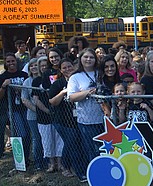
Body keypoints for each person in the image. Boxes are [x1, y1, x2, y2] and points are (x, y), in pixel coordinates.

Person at [67, 48, 105, 179]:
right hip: (87, 120)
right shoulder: (75, 77)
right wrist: (88, 93)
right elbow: (71, 97)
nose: (89, 59)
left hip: (105, 117)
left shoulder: (100, 73)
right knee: (92, 149)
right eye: (86, 57)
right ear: (81, 59)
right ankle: (95, 176)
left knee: (104, 149)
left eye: (91, 57)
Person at [48, 58, 85, 179]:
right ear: (60, 70)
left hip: (79, 119)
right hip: (62, 120)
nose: (67, 69)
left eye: (69, 66)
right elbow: (52, 102)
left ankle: (66, 165)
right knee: (72, 143)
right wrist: (63, 92)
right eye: (64, 68)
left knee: (72, 143)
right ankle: (76, 170)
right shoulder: (58, 84)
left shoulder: (79, 80)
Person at [31, 56, 64, 174]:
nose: (44, 67)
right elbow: (35, 99)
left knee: (59, 139)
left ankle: (60, 163)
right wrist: (46, 110)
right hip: (43, 116)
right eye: (41, 66)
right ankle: (51, 163)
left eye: (45, 65)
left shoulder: (56, 78)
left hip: (58, 113)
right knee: (47, 140)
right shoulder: (37, 81)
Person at [0, 53, 30, 165]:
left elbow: (29, 90)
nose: (11, 63)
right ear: (5, 63)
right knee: (20, 133)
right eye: (8, 61)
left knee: (28, 134)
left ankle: (26, 157)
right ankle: (19, 160)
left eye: (13, 61)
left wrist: (20, 90)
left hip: (25, 107)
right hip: (13, 109)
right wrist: (4, 86)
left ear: (16, 61)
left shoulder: (24, 74)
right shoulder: (2, 77)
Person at [21, 59, 46, 171]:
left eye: (36, 65)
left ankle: (48, 159)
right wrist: (37, 109)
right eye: (31, 66)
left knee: (46, 138)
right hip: (33, 116)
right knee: (37, 139)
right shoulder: (27, 82)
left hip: (46, 115)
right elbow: (24, 99)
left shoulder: (45, 79)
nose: (34, 67)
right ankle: (38, 162)